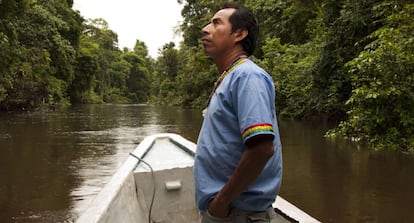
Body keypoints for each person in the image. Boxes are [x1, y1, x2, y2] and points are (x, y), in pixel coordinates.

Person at [194, 2, 283, 223]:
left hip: (235, 213)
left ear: (239, 34)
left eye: (216, 23)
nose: (206, 29)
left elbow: (262, 147)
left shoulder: (247, 77)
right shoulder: (231, 76)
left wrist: (222, 202)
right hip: (229, 210)